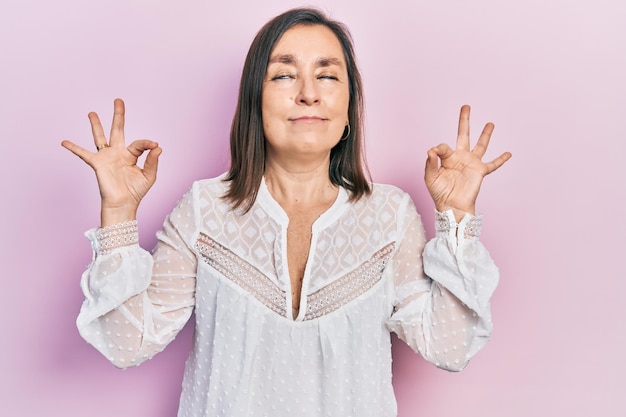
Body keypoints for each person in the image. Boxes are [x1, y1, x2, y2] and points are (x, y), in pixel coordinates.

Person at [61, 7, 511, 417]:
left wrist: (456, 218)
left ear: (349, 108)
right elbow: (126, 343)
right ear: (255, 102)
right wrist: (118, 212)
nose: (308, 94)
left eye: (328, 76)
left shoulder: (389, 214)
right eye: (283, 76)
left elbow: (449, 348)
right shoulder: (203, 210)